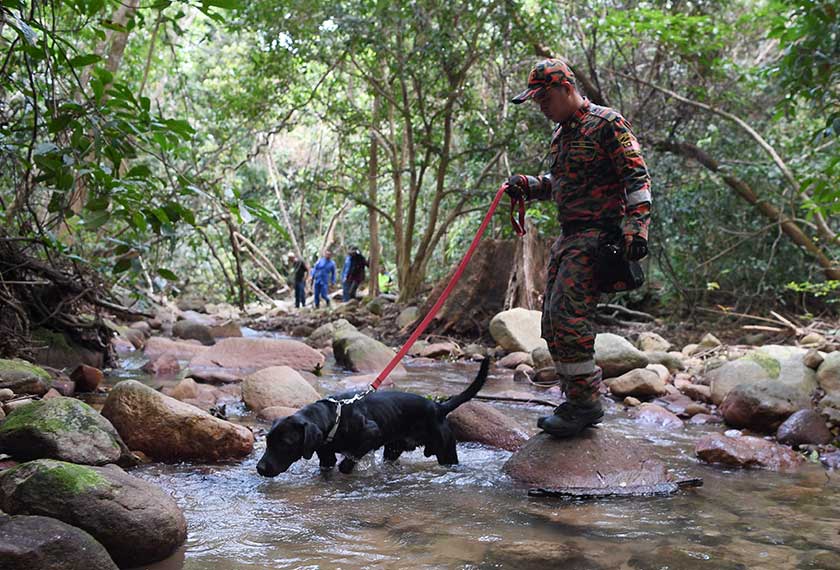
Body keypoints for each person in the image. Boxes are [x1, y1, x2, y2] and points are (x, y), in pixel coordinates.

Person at [505, 59, 651, 438]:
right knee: (552, 321)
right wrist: (532, 184)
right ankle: (576, 400)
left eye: (544, 98)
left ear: (566, 89)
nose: (541, 106)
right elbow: (563, 181)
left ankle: (586, 406)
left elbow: (636, 174)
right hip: (568, 237)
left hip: (596, 236)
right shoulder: (561, 133)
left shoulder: (607, 123)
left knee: (569, 317)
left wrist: (637, 227)